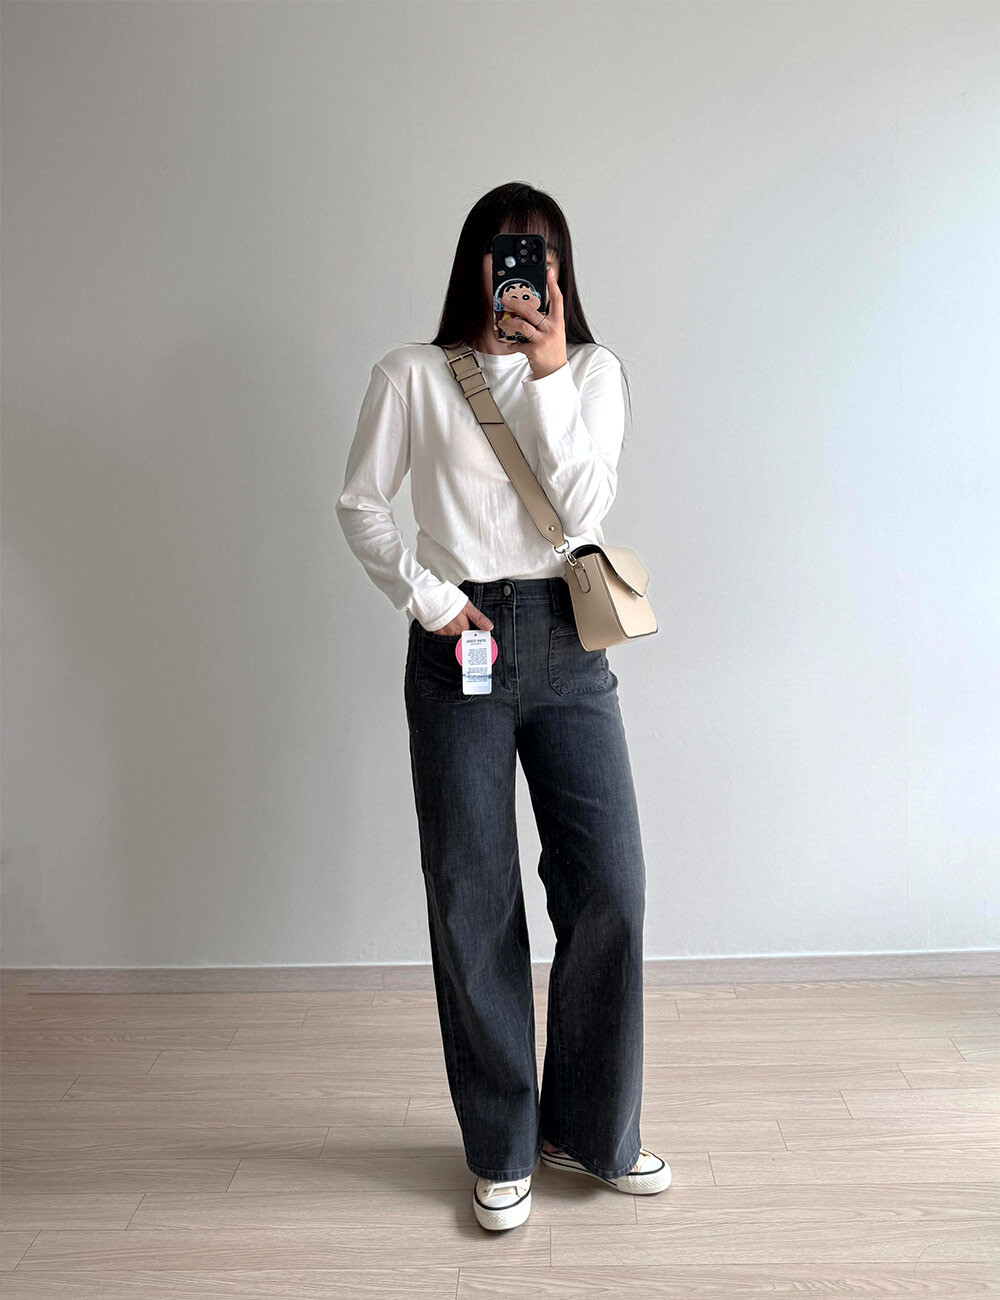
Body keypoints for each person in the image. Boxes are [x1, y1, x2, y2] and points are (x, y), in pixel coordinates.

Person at [336, 183, 671, 1231]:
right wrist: (431, 600)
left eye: (541, 255)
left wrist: (549, 372)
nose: (520, 271)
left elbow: (583, 510)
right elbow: (360, 504)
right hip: (459, 643)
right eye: (504, 251)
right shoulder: (411, 374)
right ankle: (501, 1144)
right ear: (473, 263)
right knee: (471, 894)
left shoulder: (594, 374)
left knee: (609, 884)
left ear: (560, 272)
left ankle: (590, 1131)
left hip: (569, 640)